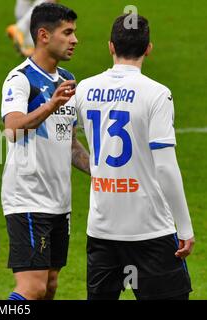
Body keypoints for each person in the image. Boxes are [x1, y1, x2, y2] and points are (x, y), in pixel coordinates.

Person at [73, 14, 195, 300]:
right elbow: (165, 167)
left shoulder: (84, 90)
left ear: (111, 46)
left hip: (102, 231)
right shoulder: (157, 94)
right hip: (150, 230)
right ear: (148, 48)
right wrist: (185, 227)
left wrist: (98, 169)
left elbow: (63, 138)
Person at [1, 3, 90, 300]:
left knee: (50, 285)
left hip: (59, 201)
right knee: (33, 288)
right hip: (28, 197)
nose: (75, 40)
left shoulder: (66, 79)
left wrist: (98, 169)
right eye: (67, 32)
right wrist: (50, 105)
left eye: (74, 32)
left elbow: (71, 144)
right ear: (43, 35)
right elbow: (13, 128)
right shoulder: (20, 79)